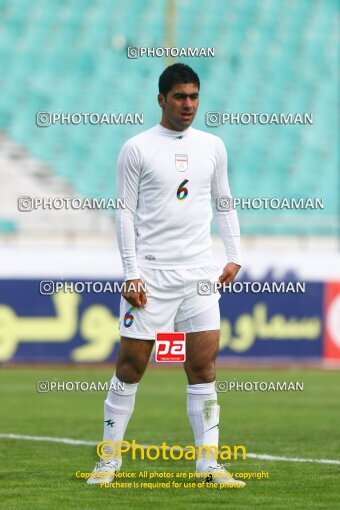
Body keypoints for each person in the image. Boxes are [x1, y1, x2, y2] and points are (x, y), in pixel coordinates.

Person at [88, 63, 244, 488]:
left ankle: (209, 466)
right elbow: (124, 211)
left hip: (199, 273)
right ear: (161, 99)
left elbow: (224, 200)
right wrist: (131, 272)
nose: (188, 104)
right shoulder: (137, 148)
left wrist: (234, 254)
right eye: (179, 96)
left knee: (203, 367)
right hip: (151, 274)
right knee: (131, 366)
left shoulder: (213, 145)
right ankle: (107, 463)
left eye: (194, 96)